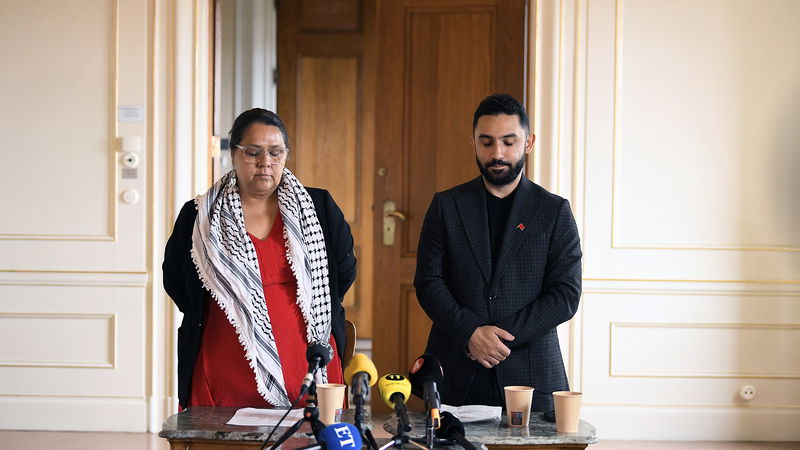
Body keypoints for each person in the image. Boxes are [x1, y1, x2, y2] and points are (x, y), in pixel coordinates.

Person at [163, 108, 356, 409]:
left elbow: (343, 272)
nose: (265, 163)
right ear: (234, 154)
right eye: (253, 153)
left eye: (275, 153)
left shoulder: (319, 207)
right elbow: (175, 279)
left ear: (285, 156)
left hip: (307, 359)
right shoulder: (199, 215)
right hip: (226, 365)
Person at [414, 94, 581, 414]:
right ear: (473, 142)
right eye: (487, 142)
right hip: (455, 367)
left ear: (529, 142)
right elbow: (428, 282)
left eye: (509, 141)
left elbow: (565, 295)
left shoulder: (554, 211)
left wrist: (497, 340)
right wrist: (471, 332)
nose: (498, 153)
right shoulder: (446, 206)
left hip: (531, 373)